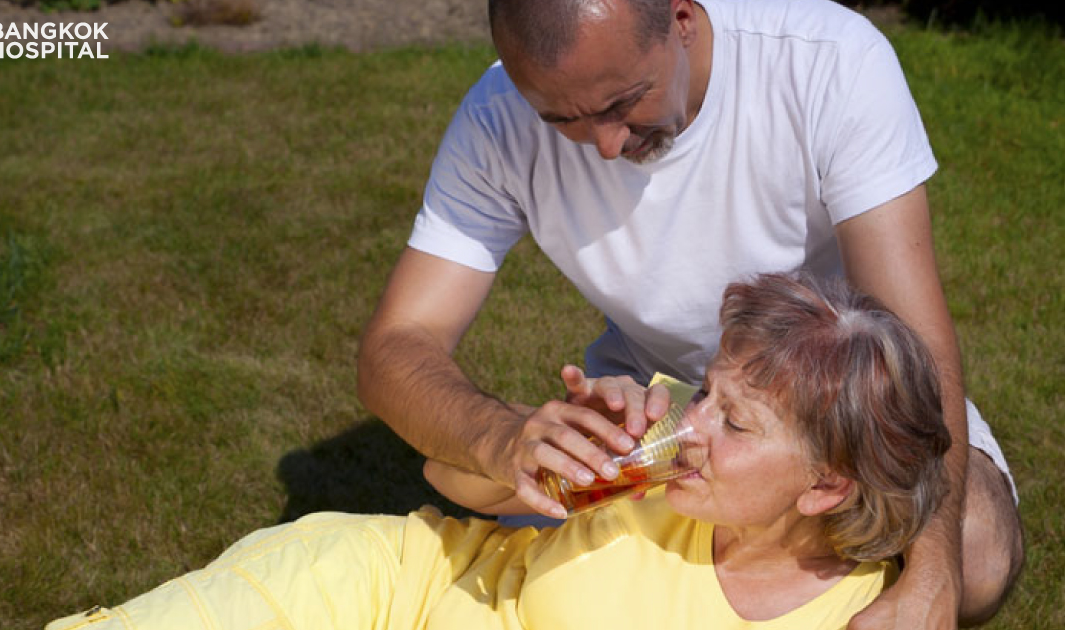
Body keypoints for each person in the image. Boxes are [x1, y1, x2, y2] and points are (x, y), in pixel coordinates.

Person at [356, 0, 1023, 627]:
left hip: (850, 402)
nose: (607, 146)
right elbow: (398, 343)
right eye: (562, 122)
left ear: (680, 17)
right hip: (653, 409)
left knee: (974, 556)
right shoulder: (496, 118)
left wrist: (934, 572)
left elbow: (916, 337)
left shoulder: (826, 61)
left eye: (624, 102)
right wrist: (503, 439)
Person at [49, 273, 951, 630]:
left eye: (738, 422)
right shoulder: (652, 442)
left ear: (827, 487)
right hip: (397, 589)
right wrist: (533, 448)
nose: (697, 423)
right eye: (710, 390)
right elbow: (450, 485)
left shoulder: (860, 619)